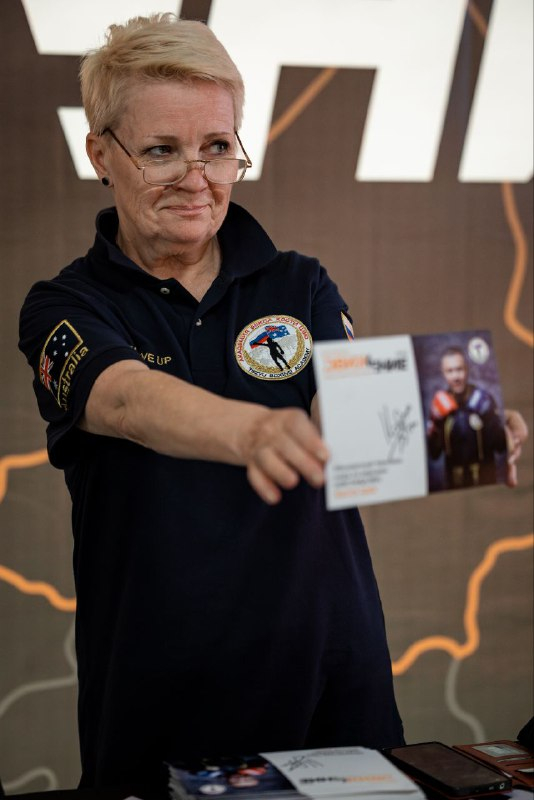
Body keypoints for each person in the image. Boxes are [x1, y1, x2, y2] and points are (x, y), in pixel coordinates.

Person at [18, 14, 404, 792]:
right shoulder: (65, 306)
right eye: (162, 150)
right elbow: (124, 399)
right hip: (165, 710)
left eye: (218, 147)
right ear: (100, 154)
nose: (197, 178)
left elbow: (350, 424)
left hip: (335, 697)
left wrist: (452, 427)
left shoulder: (300, 282)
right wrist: (253, 430)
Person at [427, 346, 513, 489]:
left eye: (459, 369)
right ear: (443, 373)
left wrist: (490, 419)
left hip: (485, 480)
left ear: (467, 370)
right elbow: (434, 454)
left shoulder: (484, 399)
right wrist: (435, 425)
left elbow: (501, 447)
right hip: (454, 483)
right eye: (450, 371)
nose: (456, 377)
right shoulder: (439, 404)